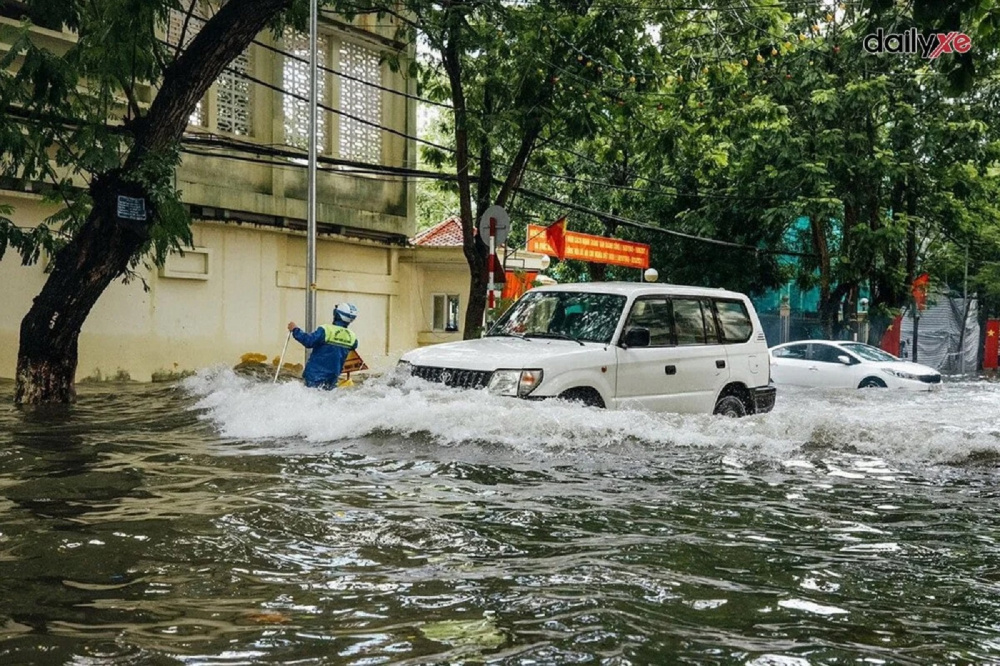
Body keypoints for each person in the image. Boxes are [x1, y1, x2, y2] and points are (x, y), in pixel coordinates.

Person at [287, 303, 359, 389]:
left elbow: (308, 341)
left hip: (314, 375)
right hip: (333, 377)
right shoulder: (352, 337)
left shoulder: (326, 330)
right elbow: (350, 350)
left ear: (336, 314)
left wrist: (295, 330)